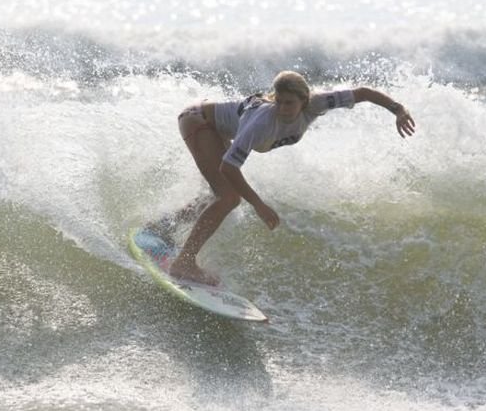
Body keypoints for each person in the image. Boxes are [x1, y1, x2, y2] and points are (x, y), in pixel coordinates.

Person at [165, 70, 416, 286]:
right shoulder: (263, 120)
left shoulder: (317, 103)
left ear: (304, 102)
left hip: (214, 122)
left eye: (290, 103)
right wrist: (259, 205)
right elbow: (229, 167)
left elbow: (362, 93)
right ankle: (184, 263)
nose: (283, 109)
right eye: (280, 102)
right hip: (198, 120)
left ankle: (163, 227)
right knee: (229, 198)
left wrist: (398, 109)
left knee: (218, 196)